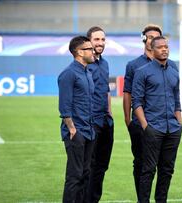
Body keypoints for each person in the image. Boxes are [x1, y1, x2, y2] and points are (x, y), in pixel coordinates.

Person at [123, 24, 178, 202]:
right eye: (151, 38)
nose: (163, 48)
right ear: (146, 41)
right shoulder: (136, 67)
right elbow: (131, 97)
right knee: (143, 166)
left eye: (165, 45)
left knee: (166, 168)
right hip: (146, 127)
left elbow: (176, 98)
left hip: (170, 128)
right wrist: (132, 122)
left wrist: (179, 125)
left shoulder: (173, 68)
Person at [58, 36, 95, 203]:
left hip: (89, 132)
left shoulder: (87, 72)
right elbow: (64, 107)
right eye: (90, 49)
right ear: (79, 52)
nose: (93, 51)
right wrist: (72, 129)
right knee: (74, 176)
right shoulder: (68, 74)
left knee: (85, 174)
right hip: (76, 132)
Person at [85, 26, 114, 203]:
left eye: (103, 39)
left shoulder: (105, 63)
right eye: (96, 39)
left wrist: (110, 114)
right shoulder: (84, 64)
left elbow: (106, 92)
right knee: (88, 167)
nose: (100, 43)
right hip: (90, 122)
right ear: (89, 41)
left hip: (106, 122)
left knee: (102, 166)